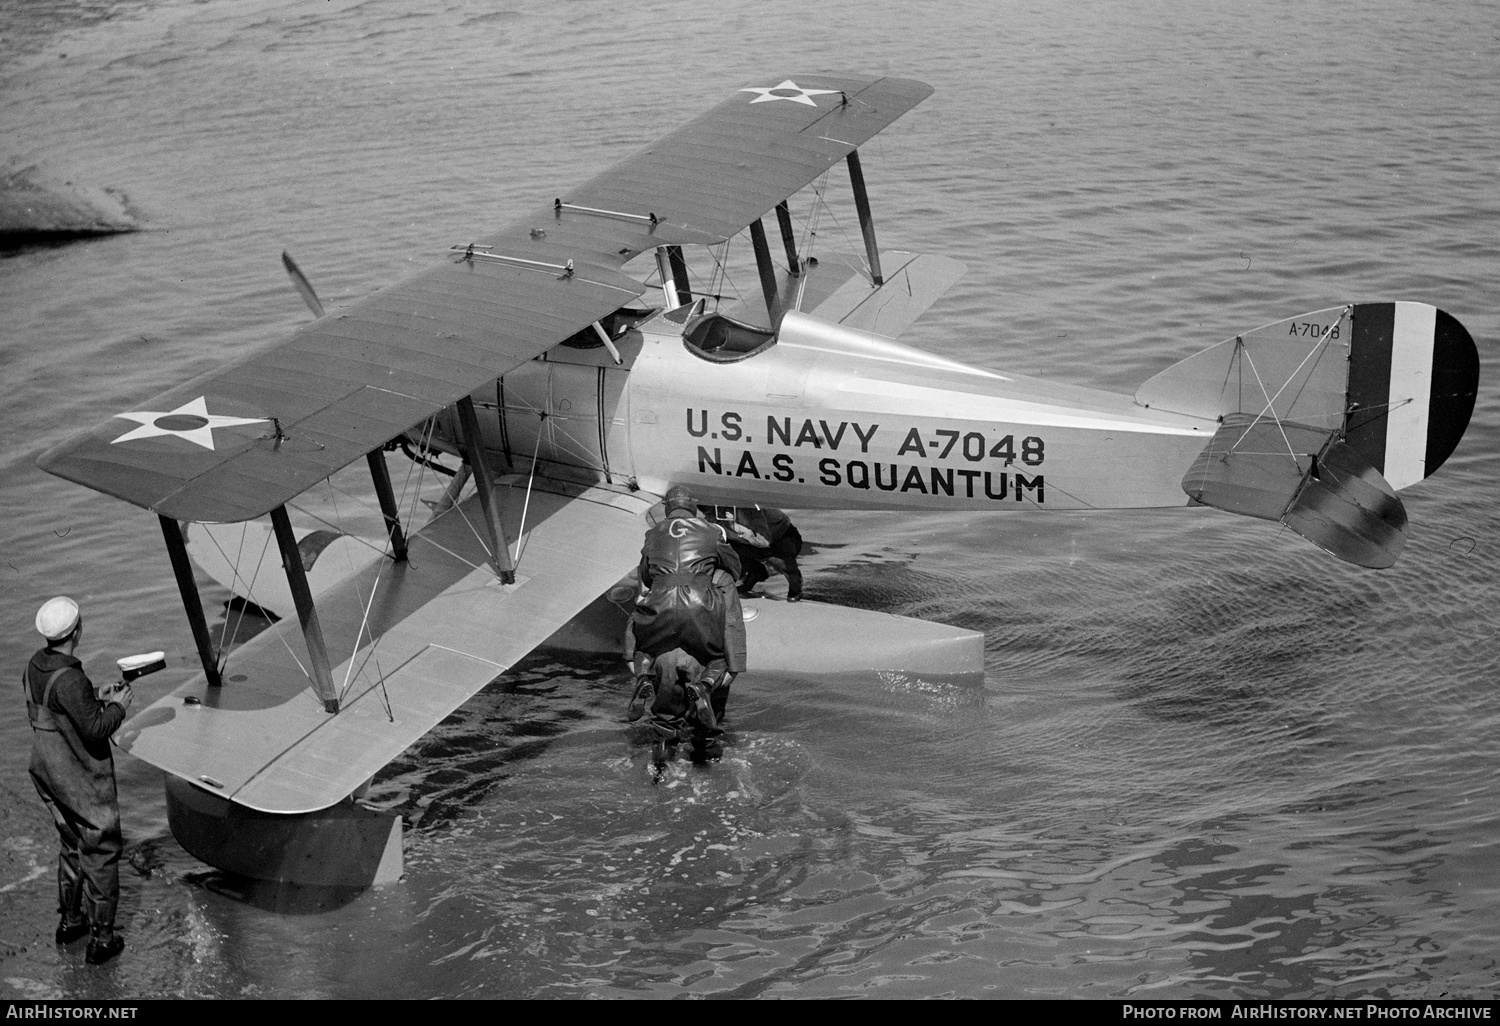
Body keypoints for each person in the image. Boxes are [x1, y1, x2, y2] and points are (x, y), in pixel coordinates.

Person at [24, 597, 132, 965]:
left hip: (46, 771)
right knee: (100, 850)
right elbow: (96, 727)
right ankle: (102, 941)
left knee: (71, 843)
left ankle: (71, 923)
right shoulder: (70, 678)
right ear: (77, 631)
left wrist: (94, 695)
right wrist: (119, 706)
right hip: (75, 776)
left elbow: (57, 707)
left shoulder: (36, 666)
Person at [624, 486, 744, 763]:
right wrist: (735, 663)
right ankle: (706, 753)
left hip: (661, 627)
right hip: (701, 625)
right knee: (709, 721)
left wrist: (631, 655)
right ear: (693, 507)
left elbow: (644, 580)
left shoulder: (652, 534)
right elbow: (733, 624)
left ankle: (660, 767)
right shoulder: (719, 571)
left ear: (667, 508)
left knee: (664, 721)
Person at [723, 506, 804, 601]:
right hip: (746, 542)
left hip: (780, 538)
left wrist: (736, 528)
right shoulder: (711, 511)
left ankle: (795, 584)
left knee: (780, 561)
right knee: (723, 549)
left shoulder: (751, 509)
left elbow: (763, 541)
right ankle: (756, 572)